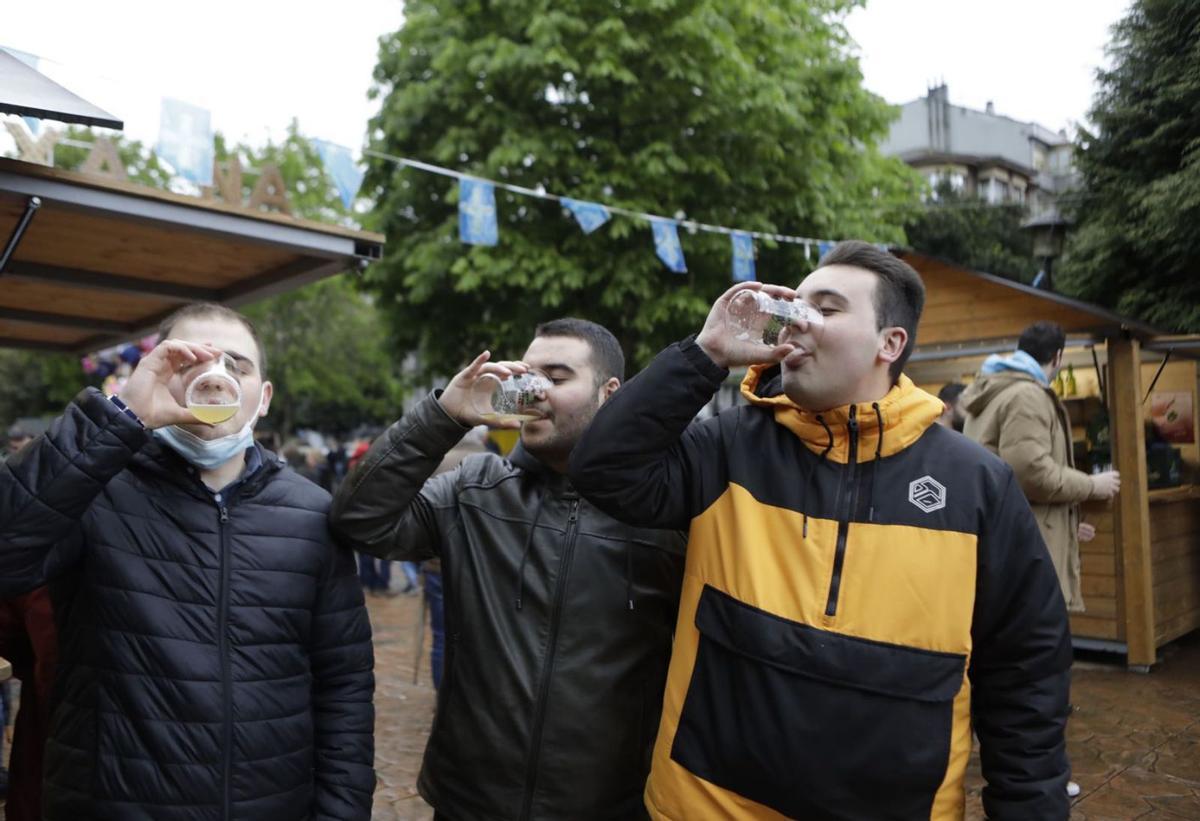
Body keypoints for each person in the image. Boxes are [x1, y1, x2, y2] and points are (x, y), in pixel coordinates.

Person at [570, 241, 1072, 820]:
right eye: (793, 305)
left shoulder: (978, 486)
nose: (794, 321)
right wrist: (706, 353)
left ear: (891, 343)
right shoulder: (728, 447)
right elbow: (601, 469)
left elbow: (1025, 677)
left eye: (826, 308)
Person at [0, 302, 375, 820]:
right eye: (188, 361)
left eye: (237, 366)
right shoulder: (94, 489)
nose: (215, 377)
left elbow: (344, 686)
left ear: (262, 398)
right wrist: (117, 420)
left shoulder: (310, 512)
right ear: (156, 377)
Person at [331, 318, 686, 820]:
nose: (532, 391)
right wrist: (443, 417)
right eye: (527, 374)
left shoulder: (664, 509)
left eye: (557, 377)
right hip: (470, 800)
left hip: (610, 805)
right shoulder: (476, 488)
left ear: (610, 393)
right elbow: (358, 522)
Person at [961, 321, 1121, 613]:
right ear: (1058, 357)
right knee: (1035, 646)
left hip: (1007, 542)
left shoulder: (998, 391)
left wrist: (1070, 526)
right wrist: (1092, 485)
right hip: (1027, 551)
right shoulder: (1027, 396)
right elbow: (1030, 475)